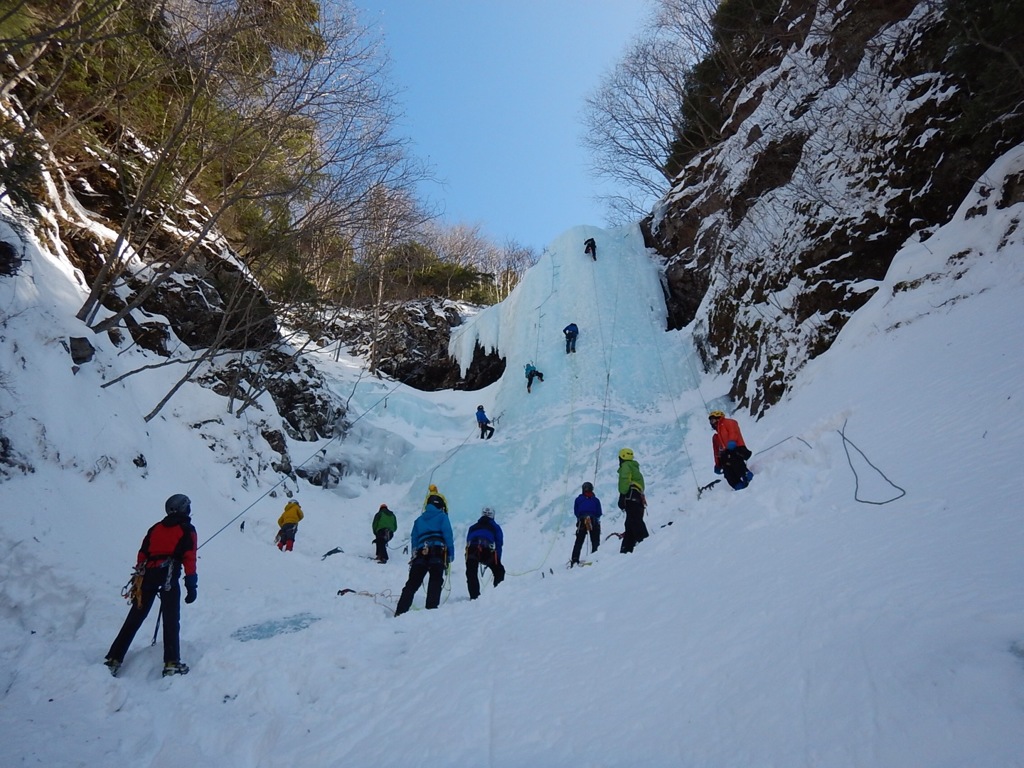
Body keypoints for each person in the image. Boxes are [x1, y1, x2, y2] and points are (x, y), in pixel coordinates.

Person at [104, 493, 198, 678]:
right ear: (183, 509)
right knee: (171, 620)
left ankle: (114, 659)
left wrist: (140, 575)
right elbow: (189, 558)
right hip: (168, 576)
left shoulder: (155, 528)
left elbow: (143, 553)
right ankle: (171, 663)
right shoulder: (187, 529)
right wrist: (191, 585)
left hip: (147, 575)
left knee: (135, 618)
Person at [394, 499, 454, 616]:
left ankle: (400, 611)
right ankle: (431, 611)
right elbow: (448, 534)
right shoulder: (442, 517)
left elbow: (414, 540)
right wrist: (450, 554)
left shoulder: (419, 520)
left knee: (412, 583)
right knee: (435, 580)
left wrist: (414, 555)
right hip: (438, 550)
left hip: (421, 553)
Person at [465, 506, 505, 599]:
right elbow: (499, 543)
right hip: (486, 550)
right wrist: (497, 559)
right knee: (499, 570)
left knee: (471, 572)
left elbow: (468, 541)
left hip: (472, 549)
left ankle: (474, 596)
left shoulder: (473, 527)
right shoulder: (495, 527)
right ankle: (498, 591)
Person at [709, 410, 754, 490]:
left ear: (718, 418)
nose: (712, 423)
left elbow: (733, 432)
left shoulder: (728, 422)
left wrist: (732, 441)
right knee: (727, 470)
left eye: (713, 420)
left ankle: (747, 475)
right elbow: (716, 452)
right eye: (710, 421)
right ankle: (738, 485)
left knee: (734, 461)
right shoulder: (717, 436)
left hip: (738, 449)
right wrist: (718, 464)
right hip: (727, 453)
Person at [617, 448, 648, 553]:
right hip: (638, 497)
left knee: (634, 521)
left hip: (631, 495)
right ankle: (626, 549)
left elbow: (624, 480)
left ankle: (646, 541)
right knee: (630, 523)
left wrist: (622, 495)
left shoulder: (625, 466)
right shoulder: (635, 467)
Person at [571, 481, 602, 566]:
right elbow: (599, 513)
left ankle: (574, 559)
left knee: (579, 541)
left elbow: (576, 512)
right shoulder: (595, 500)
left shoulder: (578, 499)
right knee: (595, 540)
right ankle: (595, 557)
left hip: (582, 519)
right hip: (593, 519)